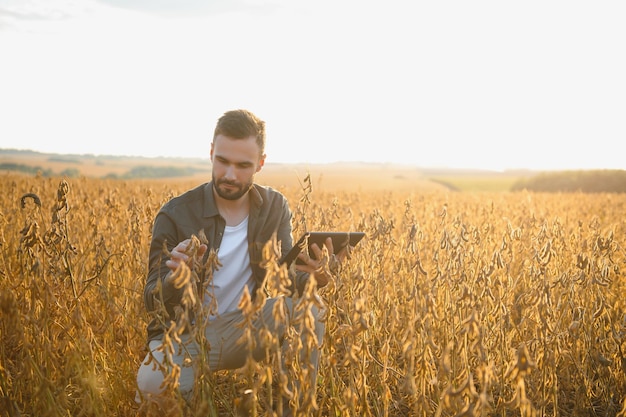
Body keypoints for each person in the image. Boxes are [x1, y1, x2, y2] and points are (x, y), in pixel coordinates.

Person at [135, 109, 347, 415]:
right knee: (153, 383)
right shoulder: (175, 214)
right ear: (210, 153)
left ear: (260, 163)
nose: (230, 175)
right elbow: (150, 297)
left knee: (311, 310)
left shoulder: (274, 206)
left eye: (243, 165)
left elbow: (288, 275)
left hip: (246, 327)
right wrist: (173, 278)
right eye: (223, 161)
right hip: (185, 336)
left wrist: (317, 277)